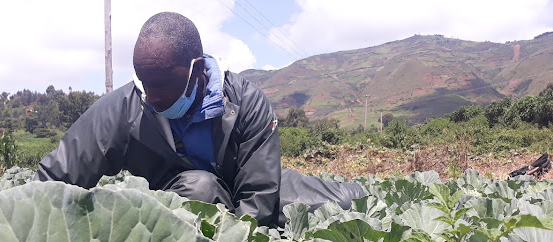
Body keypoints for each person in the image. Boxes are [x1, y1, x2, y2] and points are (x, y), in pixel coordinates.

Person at [36, 11, 364, 226]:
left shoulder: (246, 102)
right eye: (145, 84)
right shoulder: (125, 106)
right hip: (180, 201)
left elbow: (258, 198)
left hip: (246, 189)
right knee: (200, 188)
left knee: (345, 206)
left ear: (197, 69)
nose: (154, 97)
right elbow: (56, 176)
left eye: (163, 85)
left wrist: (243, 235)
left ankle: (357, 195)